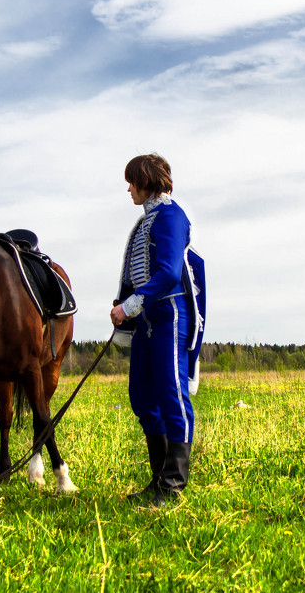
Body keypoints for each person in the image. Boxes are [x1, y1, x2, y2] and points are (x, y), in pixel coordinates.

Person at [110, 153, 200, 507]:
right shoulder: (145, 221)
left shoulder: (170, 217)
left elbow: (168, 273)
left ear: (147, 181)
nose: (129, 189)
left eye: (132, 181)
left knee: (172, 394)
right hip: (148, 321)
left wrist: (128, 306)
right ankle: (159, 479)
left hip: (169, 316)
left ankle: (174, 484)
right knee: (142, 397)